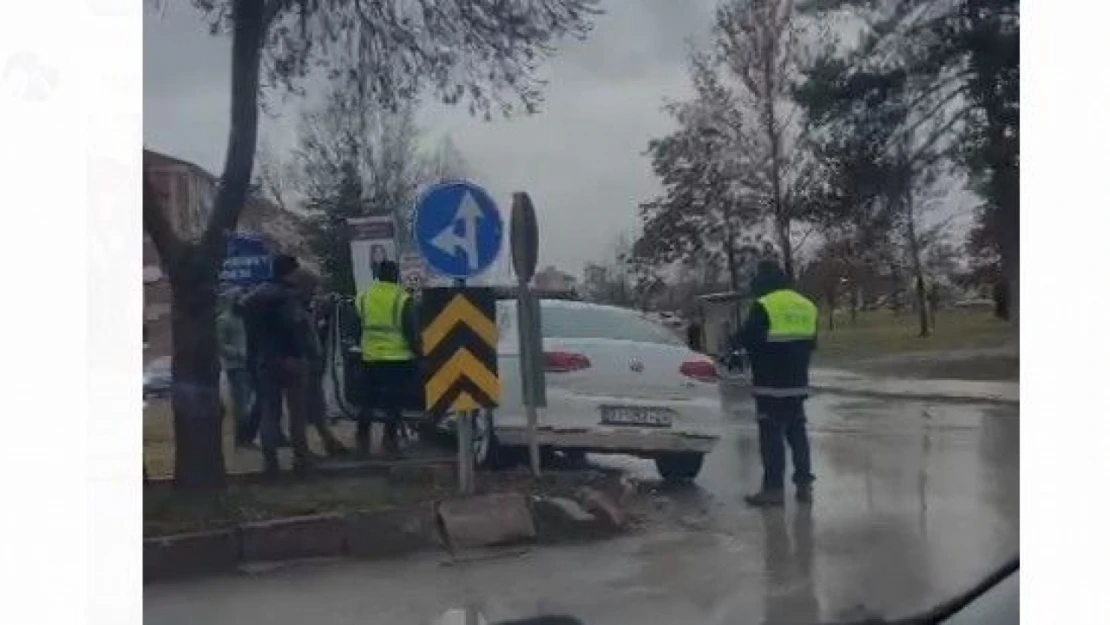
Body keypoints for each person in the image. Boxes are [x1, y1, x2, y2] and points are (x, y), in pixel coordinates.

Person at [739, 260, 818, 507]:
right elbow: (813, 342)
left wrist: (733, 347)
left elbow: (750, 337)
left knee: (771, 436)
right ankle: (804, 485)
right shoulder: (806, 305)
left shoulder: (764, 305)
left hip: (770, 382)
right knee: (797, 433)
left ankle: (773, 489)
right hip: (797, 382)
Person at [240, 254, 314, 476]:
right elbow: (298, 328)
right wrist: (304, 352)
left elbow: (248, 331)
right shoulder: (291, 297)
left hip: (264, 359)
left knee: (269, 413)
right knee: (297, 413)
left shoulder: (253, 298)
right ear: (290, 272)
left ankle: (270, 463)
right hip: (291, 358)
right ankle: (301, 461)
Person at [354, 259, 420, 457]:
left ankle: (362, 440)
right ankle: (389, 442)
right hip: (397, 358)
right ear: (395, 275)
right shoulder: (402, 298)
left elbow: (357, 323)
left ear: (377, 275)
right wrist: (420, 353)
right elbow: (411, 330)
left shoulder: (363, 296)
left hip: (370, 356)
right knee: (393, 404)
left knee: (367, 401)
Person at [217, 287, 255, 449]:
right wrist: (238, 353)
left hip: (251, 365)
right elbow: (219, 344)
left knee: (252, 404)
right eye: (239, 298)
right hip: (236, 367)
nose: (243, 301)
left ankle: (248, 437)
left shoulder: (247, 319)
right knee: (242, 406)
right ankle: (241, 439)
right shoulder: (224, 320)